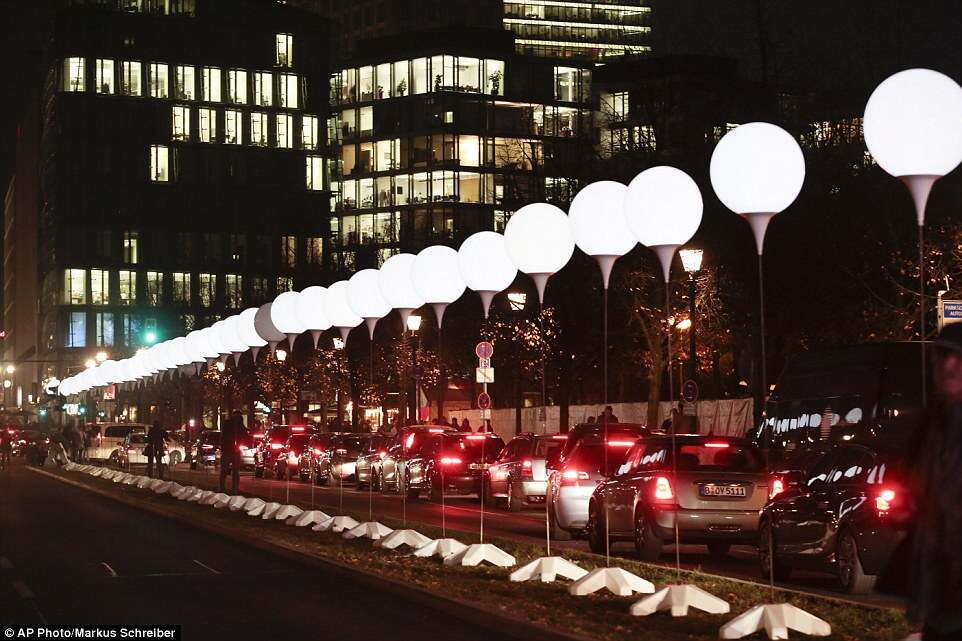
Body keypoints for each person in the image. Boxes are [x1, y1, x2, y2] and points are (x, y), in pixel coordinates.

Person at [898, 324, 962, 640]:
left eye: (959, 359)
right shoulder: (930, 422)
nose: (949, 366)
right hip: (938, 580)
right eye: (943, 357)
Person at [220, 410, 246, 493]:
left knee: (235, 470)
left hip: (235, 450)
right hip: (229, 449)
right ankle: (223, 487)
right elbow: (224, 436)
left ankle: (234, 488)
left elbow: (244, 435)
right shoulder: (229, 424)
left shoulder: (240, 425)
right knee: (226, 469)